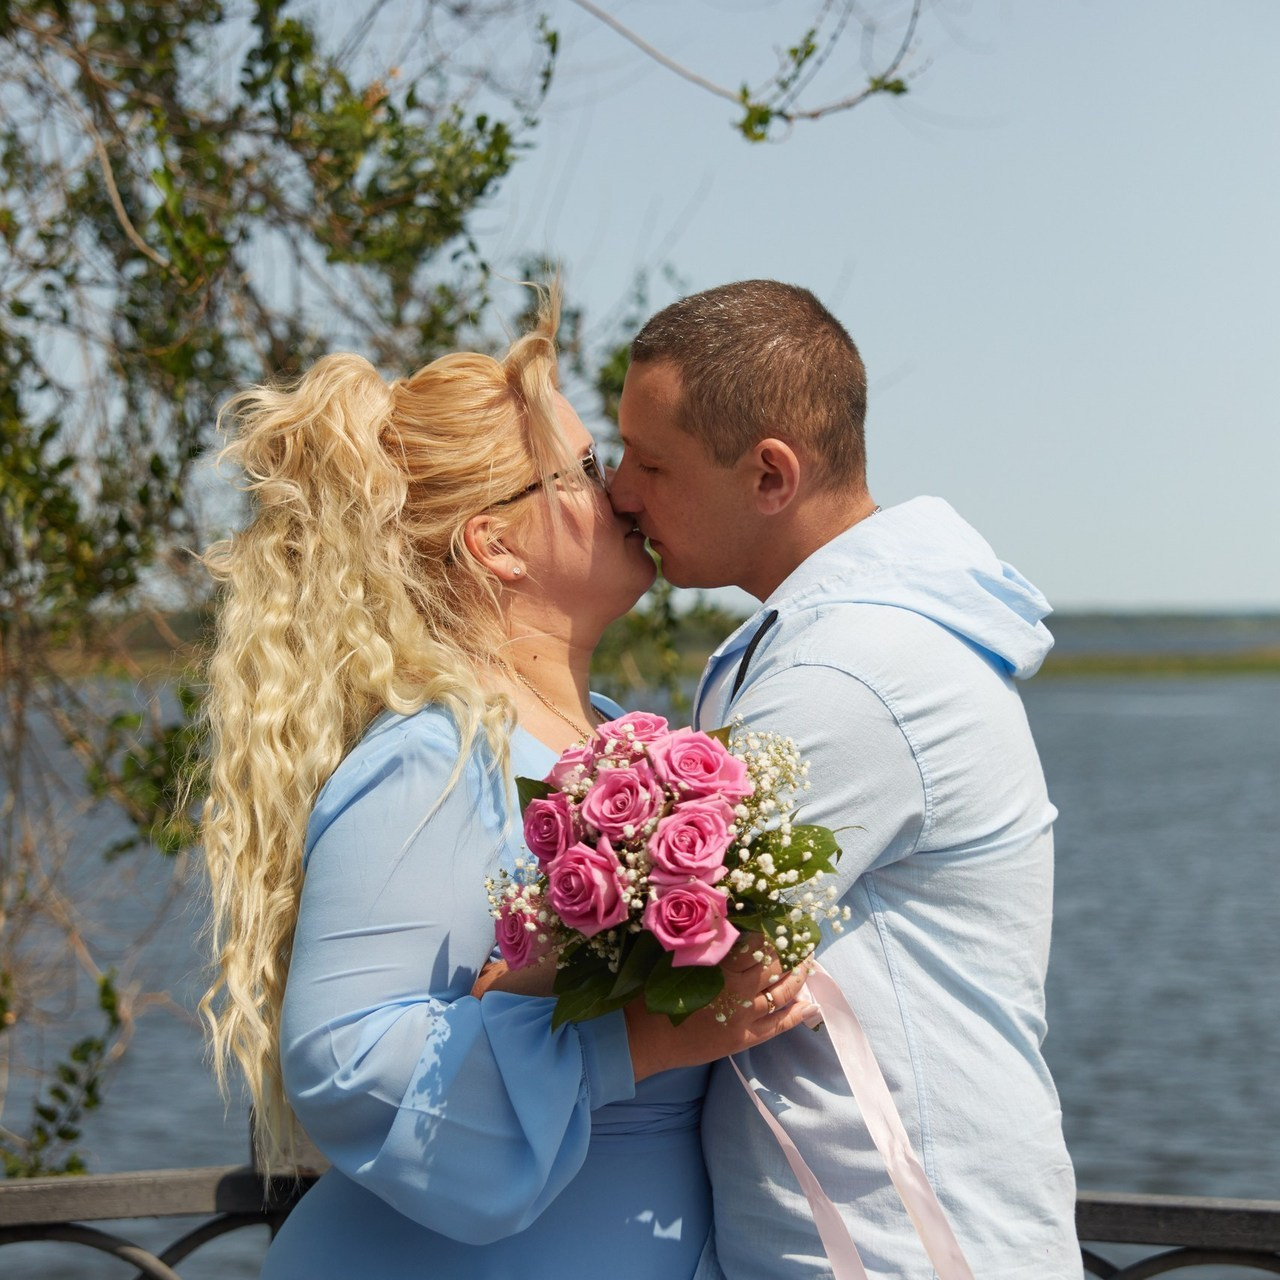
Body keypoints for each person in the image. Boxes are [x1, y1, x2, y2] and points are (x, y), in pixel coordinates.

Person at [197, 291, 816, 1280]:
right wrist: (638, 1040)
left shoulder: (617, 735)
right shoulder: (434, 755)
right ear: (494, 541)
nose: (619, 494)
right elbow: (342, 1060)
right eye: (579, 471)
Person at [609, 279, 1081, 1280]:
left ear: (770, 474)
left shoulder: (847, 674)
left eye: (650, 461)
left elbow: (655, 945)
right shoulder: (827, 641)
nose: (618, 491)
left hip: (897, 1246)